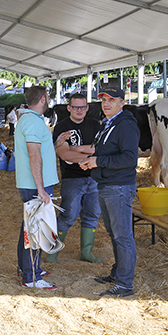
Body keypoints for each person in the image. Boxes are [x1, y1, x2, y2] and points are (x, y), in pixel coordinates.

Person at [79, 86, 139, 297]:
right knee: (115, 234)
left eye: (112, 100)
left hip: (119, 186)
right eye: (103, 99)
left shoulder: (126, 125)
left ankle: (124, 284)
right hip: (107, 184)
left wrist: (98, 161)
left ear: (122, 102)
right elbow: (105, 151)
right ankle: (118, 273)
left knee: (122, 235)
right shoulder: (109, 123)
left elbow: (130, 159)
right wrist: (92, 162)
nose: (106, 103)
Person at [44, 93, 101, 264]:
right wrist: (89, 153)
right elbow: (64, 153)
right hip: (72, 179)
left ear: (87, 108)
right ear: (69, 108)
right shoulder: (62, 127)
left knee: (92, 215)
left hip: (94, 178)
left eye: (82, 107)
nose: (79, 110)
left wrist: (78, 149)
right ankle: (53, 252)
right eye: (75, 107)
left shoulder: (95, 125)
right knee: (68, 215)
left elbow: (99, 149)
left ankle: (87, 252)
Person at [14, 85, 59, 290]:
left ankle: (27, 268)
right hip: (35, 185)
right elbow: (34, 155)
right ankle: (31, 275)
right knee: (35, 228)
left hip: (33, 183)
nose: (48, 100)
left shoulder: (30, 119)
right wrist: (41, 188)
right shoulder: (32, 121)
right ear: (42, 99)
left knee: (29, 225)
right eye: (47, 97)